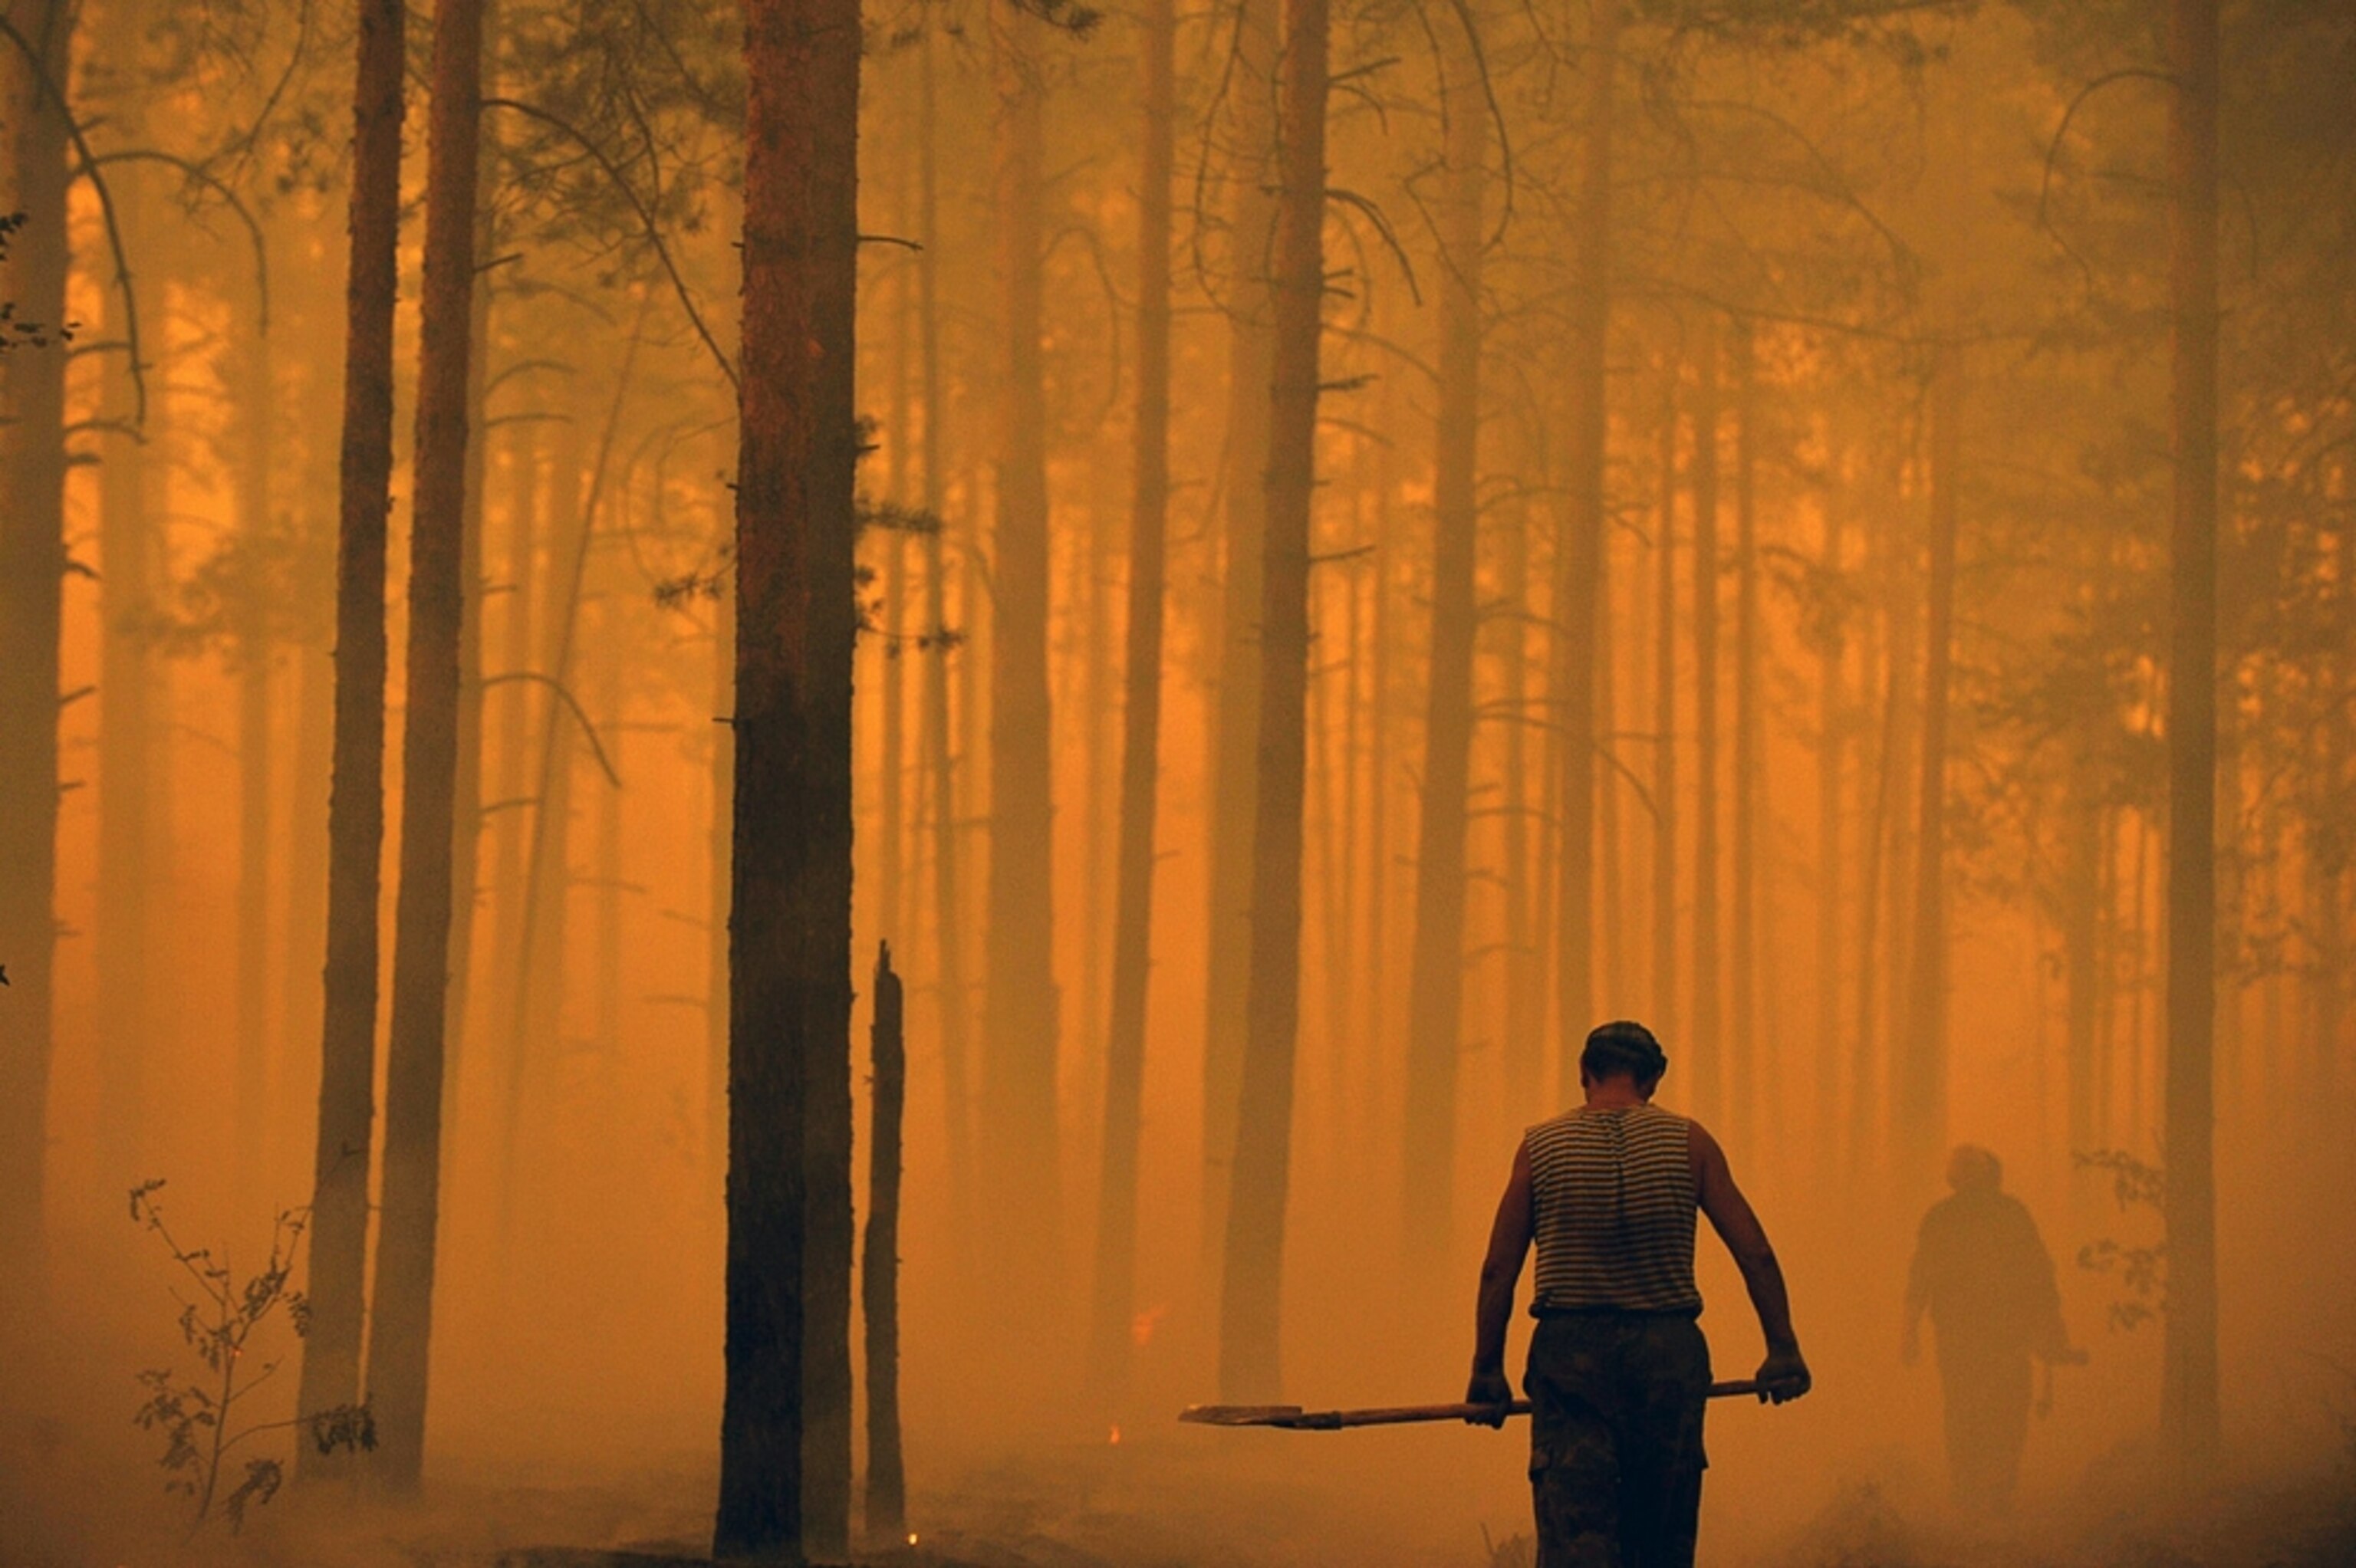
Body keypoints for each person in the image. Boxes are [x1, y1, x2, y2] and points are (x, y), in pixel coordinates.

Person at [1465, 1021, 1810, 1568]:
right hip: (1667, 1354)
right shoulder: (1689, 1143)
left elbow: (1498, 1269)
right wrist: (1783, 1348)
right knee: (1660, 1536)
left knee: (1576, 1532)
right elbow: (1756, 1252)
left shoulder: (1541, 1147)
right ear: (1653, 1080)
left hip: (1571, 1355)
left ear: (1584, 1072)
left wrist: (1487, 1370)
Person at [1903, 1144, 2078, 1510]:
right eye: (1961, 1169)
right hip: (1963, 1335)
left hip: (2004, 1333)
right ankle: (1973, 1490)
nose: (1965, 1176)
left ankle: (1994, 1488)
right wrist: (1910, 1329)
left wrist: (2051, 1324)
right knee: (1971, 1409)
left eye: (1971, 1169)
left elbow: (2038, 1273)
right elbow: (1921, 1275)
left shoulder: (2007, 1215)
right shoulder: (1945, 1218)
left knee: (2004, 1407)